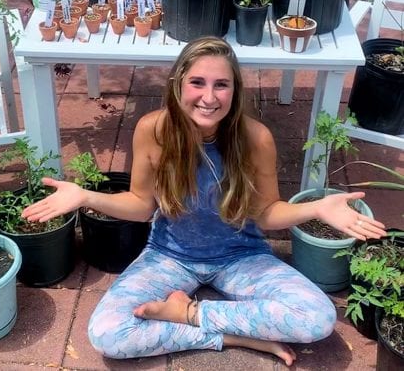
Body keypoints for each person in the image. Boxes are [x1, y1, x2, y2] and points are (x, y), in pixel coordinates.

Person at [22, 37, 386, 366]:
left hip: (241, 257)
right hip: (169, 256)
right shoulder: (153, 129)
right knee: (107, 334)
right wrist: (86, 196)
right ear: (178, 83)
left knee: (318, 318)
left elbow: (267, 212)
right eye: (198, 82)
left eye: (221, 84)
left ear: (234, 90)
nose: (209, 97)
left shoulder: (255, 138)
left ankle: (189, 314)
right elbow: (141, 205)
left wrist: (318, 207)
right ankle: (234, 336)